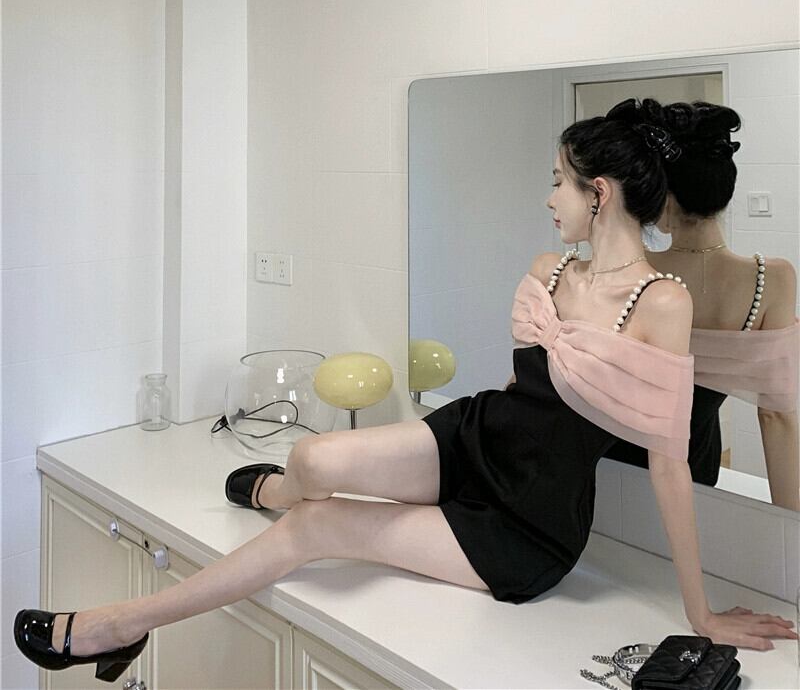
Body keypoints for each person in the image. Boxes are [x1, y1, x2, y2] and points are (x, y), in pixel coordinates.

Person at [14, 101, 797, 685]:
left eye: (557, 181)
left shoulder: (663, 302)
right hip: (475, 436)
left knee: (317, 525)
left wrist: (700, 611)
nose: (547, 197)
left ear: (598, 193)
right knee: (312, 460)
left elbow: (668, 462)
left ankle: (122, 623)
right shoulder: (549, 267)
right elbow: (522, 388)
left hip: (528, 521)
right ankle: (281, 488)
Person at [604, 101, 799, 511]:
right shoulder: (773, 279)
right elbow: (776, 416)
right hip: (697, 466)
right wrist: (790, 523)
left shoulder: (629, 269)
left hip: (613, 464)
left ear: (664, 198)